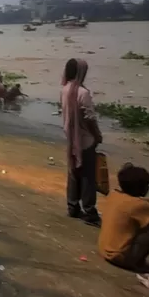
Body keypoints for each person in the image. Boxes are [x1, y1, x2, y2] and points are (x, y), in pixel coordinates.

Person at [99, 164, 149, 274]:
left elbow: (133, 203)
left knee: (142, 219)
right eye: (146, 186)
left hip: (105, 251)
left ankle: (133, 257)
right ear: (141, 188)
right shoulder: (139, 205)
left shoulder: (114, 195)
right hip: (119, 257)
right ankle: (138, 263)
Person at [62, 57, 104, 226]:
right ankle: (89, 210)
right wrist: (97, 135)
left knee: (74, 172)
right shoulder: (82, 93)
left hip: (71, 137)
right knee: (88, 175)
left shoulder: (64, 89)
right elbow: (89, 119)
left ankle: (73, 206)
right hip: (85, 139)